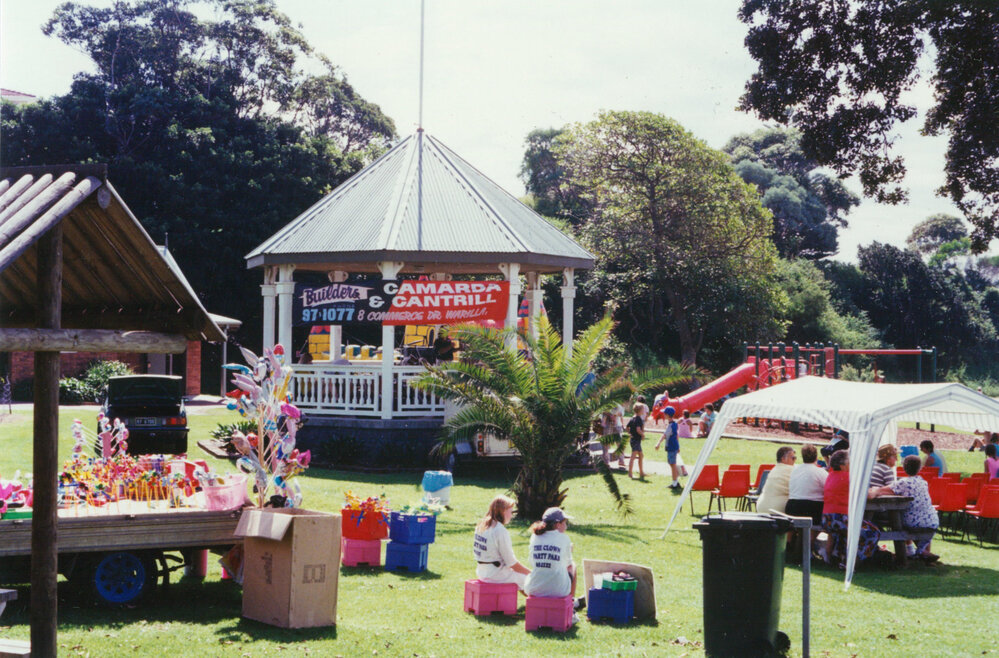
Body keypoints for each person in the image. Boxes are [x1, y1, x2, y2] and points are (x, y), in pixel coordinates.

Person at [821, 450, 885, 568]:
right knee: (874, 532)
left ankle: (837, 559)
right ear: (842, 466)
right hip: (842, 518)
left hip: (827, 519)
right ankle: (855, 562)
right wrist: (877, 490)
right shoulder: (848, 477)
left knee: (844, 534)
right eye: (849, 463)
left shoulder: (830, 475)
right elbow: (869, 495)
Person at [873, 455, 940, 562]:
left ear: (904, 468)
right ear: (919, 468)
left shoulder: (903, 483)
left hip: (913, 521)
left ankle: (911, 552)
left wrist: (873, 490)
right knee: (915, 519)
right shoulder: (923, 482)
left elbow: (882, 491)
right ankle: (922, 552)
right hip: (932, 520)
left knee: (898, 521)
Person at [523, 507, 582, 623]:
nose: (566, 526)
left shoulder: (535, 536)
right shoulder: (564, 538)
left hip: (534, 588)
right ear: (557, 524)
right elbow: (567, 564)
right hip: (558, 590)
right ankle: (571, 609)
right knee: (573, 566)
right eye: (565, 523)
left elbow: (532, 561)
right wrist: (568, 550)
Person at [472, 495, 531, 590]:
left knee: (520, 578)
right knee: (530, 581)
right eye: (511, 512)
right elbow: (512, 563)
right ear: (503, 511)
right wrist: (531, 573)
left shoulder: (481, 526)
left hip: (482, 573)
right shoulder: (499, 530)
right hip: (496, 575)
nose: (511, 516)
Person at [785, 443, 828, 525]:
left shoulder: (794, 470)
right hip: (812, 508)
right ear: (816, 457)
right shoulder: (821, 472)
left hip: (792, 507)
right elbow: (828, 489)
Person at [757, 446, 795, 515]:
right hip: (777, 510)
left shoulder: (774, 470)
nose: (794, 460)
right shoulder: (791, 469)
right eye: (793, 458)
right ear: (783, 459)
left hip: (761, 508)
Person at [654, 406, 682, 489]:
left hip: (671, 447)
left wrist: (658, 443)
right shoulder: (675, 424)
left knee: (672, 464)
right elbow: (676, 435)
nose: (663, 415)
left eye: (664, 413)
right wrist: (678, 446)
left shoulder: (670, 426)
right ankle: (676, 481)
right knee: (672, 464)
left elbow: (664, 435)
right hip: (674, 446)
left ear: (667, 415)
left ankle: (675, 483)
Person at [626, 402, 648, 479]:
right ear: (639, 410)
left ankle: (641, 472)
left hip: (634, 440)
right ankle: (630, 473)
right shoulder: (638, 419)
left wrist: (629, 433)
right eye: (643, 409)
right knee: (633, 457)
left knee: (641, 456)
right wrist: (643, 435)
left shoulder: (633, 418)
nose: (644, 411)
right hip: (636, 440)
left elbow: (627, 427)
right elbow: (638, 430)